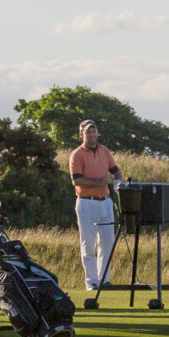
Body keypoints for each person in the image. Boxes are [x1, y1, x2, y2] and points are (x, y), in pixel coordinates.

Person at [70, 119, 124, 307]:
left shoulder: (104, 150)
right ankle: (91, 282)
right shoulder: (77, 154)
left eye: (94, 132)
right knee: (88, 243)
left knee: (107, 242)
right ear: (81, 134)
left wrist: (117, 182)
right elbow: (76, 181)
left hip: (105, 202)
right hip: (87, 203)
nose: (92, 135)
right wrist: (102, 181)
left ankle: (104, 280)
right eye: (88, 132)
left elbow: (116, 171)